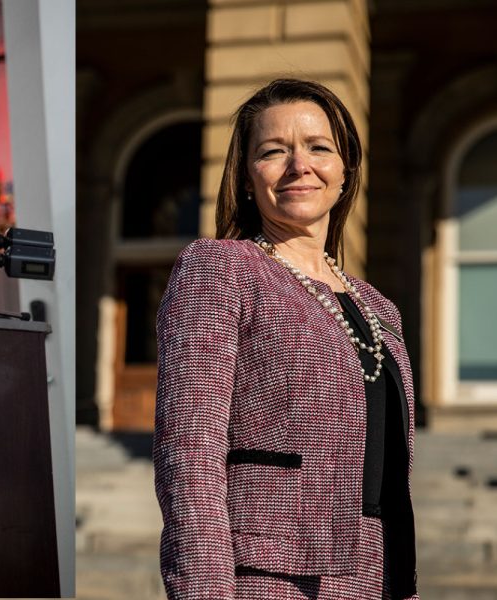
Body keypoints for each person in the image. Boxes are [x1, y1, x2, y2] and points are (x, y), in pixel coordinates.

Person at [154, 79, 419, 600]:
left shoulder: (380, 307)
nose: (300, 165)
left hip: (376, 570)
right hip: (269, 574)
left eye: (319, 148)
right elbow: (189, 451)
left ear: (345, 172)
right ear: (248, 178)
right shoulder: (221, 267)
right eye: (274, 152)